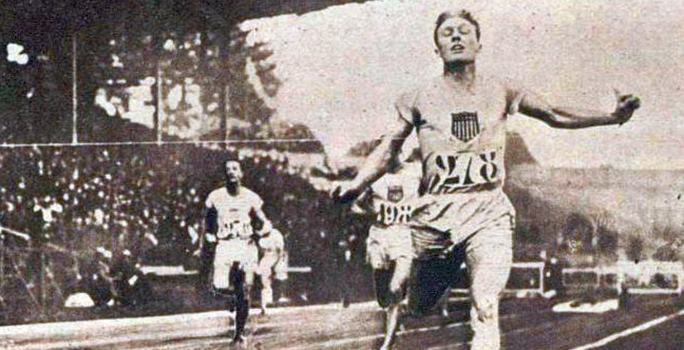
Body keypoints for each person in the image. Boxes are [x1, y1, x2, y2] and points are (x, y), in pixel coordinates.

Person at [334, 9, 641, 350]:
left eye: (464, 31)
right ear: (437, 49)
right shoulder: (418, 96)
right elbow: (389, 146)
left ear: (479, 43)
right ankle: (408, 304)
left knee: (485, 304)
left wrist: (612, 117)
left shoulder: (502, 89)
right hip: (436, 214)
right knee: (419, 305)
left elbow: (554, 113)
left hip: (488, 211)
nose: (455, 36)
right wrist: (357, 183)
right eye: (447, 32)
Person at [201, 160, 273, 347]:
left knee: (243, 290)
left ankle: (239, 333)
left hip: (244, 244)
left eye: (234, 169)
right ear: (224, 175)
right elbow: (208, 222)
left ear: (241, 174)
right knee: (218, 286)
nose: (231, 172)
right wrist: (208, 235)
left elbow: (266, 222)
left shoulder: (251, 197)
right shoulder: (215, 197)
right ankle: (236, 297)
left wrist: (263, 231)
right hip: (225, 244)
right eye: (227, 170)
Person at [354, 159, 419, 350]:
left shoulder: (415, 174)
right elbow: (357, 204)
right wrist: (373, 212)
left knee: (395, 287)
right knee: (383, 298)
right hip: (380, 236)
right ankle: (397, 311)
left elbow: (430, 198)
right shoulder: (375, 178)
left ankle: (388, 343)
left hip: (403, 234)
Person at [256, 227, 290, 315]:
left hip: (276, 259)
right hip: (266, 260)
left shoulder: (276, 235)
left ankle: (278, 298)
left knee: (279, 277)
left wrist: (275, 265)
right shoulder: (261, 237)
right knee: (265, 283)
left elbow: (280, 252)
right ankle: (264, 305)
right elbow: (261, 251)